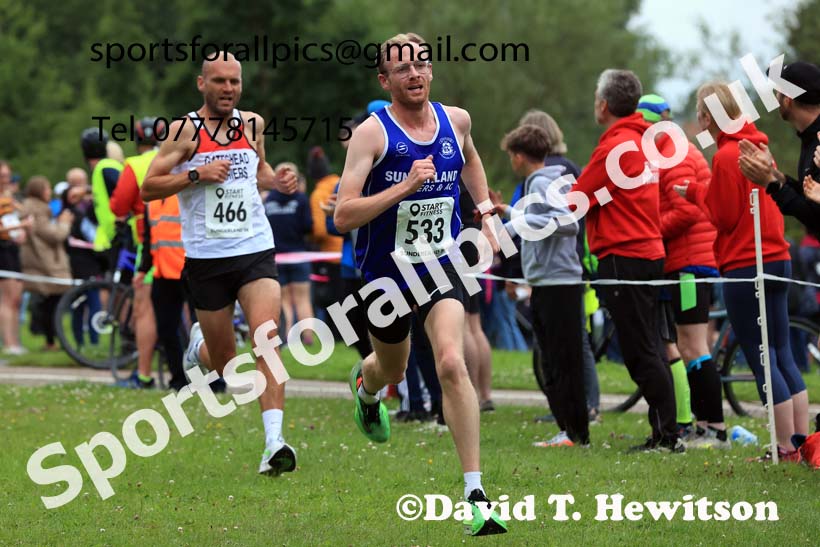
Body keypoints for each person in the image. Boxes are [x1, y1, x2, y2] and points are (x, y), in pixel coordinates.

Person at [334, 33, 507, 536]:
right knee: (392, 367)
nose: (415, 74)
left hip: (441, 265)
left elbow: (471, 159)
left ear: (431, 71)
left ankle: (476, 494)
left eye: (421, 65)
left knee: (452, 361)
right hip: (387, 278)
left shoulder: (457, 121)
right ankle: (367, 388)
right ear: (384, 80)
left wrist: (487, 210)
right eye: (402, 68)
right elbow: (343, 215)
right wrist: (404, 187)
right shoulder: (372, 134)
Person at [141, 51, 299, 475]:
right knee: (228, 363)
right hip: (207, 258)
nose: (228, 89)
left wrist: (278, 179)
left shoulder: (252, 124)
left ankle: (274, 443)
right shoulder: (184, 131)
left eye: (234, 81)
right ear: (202, 84)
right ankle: (199, 348)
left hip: (254, 248)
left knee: (268, 339)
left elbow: (257, 171)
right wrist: (195, 175)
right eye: (219, 81)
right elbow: (148, 188)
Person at [676, 81, 809, 462]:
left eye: (700, 116)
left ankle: (783, 448)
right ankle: (800, 441)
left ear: (707, 116)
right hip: (778, 257)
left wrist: (695, 192)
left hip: (745, 263)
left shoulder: (725, 156)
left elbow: (722, 215)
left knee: (761, 356)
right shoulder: (758, 145)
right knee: (782, 353)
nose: (699, 124)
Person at [574, 69, 683, 453]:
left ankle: (668, 435)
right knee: (651, 346)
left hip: (625, 255)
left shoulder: (615, 146)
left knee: (640, 352)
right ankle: (665, 431)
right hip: (649, 252)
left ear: (604, 105)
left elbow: (577, 198)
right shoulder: (641, 142)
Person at [637, 94, 728, 448]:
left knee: (694, 346)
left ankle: (715, 428)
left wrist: (649, 231)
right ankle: (701, 424)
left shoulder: (674, 152)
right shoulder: (671, 148)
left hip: (691, 262)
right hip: (687, 260)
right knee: (689, 345)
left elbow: (688, 210)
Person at [501, 124, 589, 448]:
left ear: (520, 156)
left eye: (511, 156)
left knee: (561, 359)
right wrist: (511, 212)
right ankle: (569, 429)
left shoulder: (540, 180)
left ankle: (575, 433)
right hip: (547, 280)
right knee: (553, 358)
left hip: (558, 281)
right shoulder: (545, 180)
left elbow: (566, 223)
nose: (511, 161)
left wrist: (513, 224)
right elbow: (544, 217)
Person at [516, 108, 602, 422]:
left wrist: (518, 221)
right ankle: (582, 405)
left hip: (558, 266)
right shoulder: (570, 169)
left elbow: (561, 220)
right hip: (572, 260)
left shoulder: (546, 175)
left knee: (567, 343)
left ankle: (580, 408)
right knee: (575, 340)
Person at [110, 117, 166, 388]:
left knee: (144, 309)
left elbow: (119, 206)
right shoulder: (176, 158)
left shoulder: (134, 164)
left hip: (150, 240)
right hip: (184, 241)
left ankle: (143, 375)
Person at [737, 61, 820, 236]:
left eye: (778, 93)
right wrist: (775, 174)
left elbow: (814, 217)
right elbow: (810, 194)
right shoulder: (810, 138)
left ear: (788, 101)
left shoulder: (817, 141)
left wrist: (771, 183)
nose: (775, 98)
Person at [19, 176, 73, 350]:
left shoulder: (32, 208)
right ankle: (51, 341)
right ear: (39, 191)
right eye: (47, 188)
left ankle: (51, 340)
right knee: (51, 303)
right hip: (46, 262)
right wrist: (64, 224)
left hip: (40, 260)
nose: (49, 192)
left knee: (49, 302)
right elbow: (53, 235)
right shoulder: (37, 210)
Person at [264, 162, 314, 340]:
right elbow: (308, 226)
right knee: (302, 298)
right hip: (298, 253)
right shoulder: (301, 199)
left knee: (283, 300)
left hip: (275, 257)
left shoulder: (268, 199)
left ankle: (286, 336)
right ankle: (308, 337)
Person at [0, 160, 31, 355]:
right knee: (6, 299)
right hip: (2, 249)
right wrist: (20, 227)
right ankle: (9, 343)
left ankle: (14, 341)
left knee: (16, 299)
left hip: (13, 248)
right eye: (2, 176)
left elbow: (15, 219)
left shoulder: (10, 197)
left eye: (7, 176)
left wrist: (22, 232)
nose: (5, 179)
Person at [80, 127, 122, 255]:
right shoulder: (106, 167)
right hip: (111, 236)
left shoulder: (105, 167)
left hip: (117, 235)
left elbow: (124, 193)